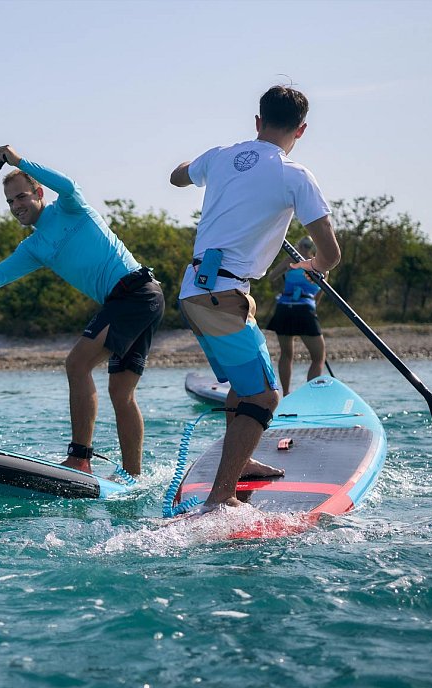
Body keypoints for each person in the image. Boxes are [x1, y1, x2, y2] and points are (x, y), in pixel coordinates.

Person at [0, 145, 164, 479]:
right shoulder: (34, 247)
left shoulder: (71, 208)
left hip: (136, 293)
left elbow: (66, 184)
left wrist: (21, 161)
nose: (16, 207)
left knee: (77, 363)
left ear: (39, 193)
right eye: (9, 202)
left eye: (21, 197)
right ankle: (132, 476)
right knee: (120, 392)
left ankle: (80, 458)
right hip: (132, 301)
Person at [169, 85, 341, 510]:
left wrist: (208, 166)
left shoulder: (220, 155)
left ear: (258, 122)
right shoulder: (295, 175)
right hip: (223, 296)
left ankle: (241, 463)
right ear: (300, 131)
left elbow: (177, 175)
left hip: (195, 292)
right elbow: (331, 253)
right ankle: (220, 497)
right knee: (265, 397)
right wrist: (312, 264)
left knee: (244, 389)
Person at [265, 236, 327, 396]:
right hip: (305, 309)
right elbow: (320, 294)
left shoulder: (290, 261)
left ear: (298, 246)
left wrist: (286, 272)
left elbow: (271, 277)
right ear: (314, 248)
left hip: (284, 308)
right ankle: (311, 396)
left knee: (286, 354)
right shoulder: (322, 266)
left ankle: (285, 394)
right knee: (318, 357)